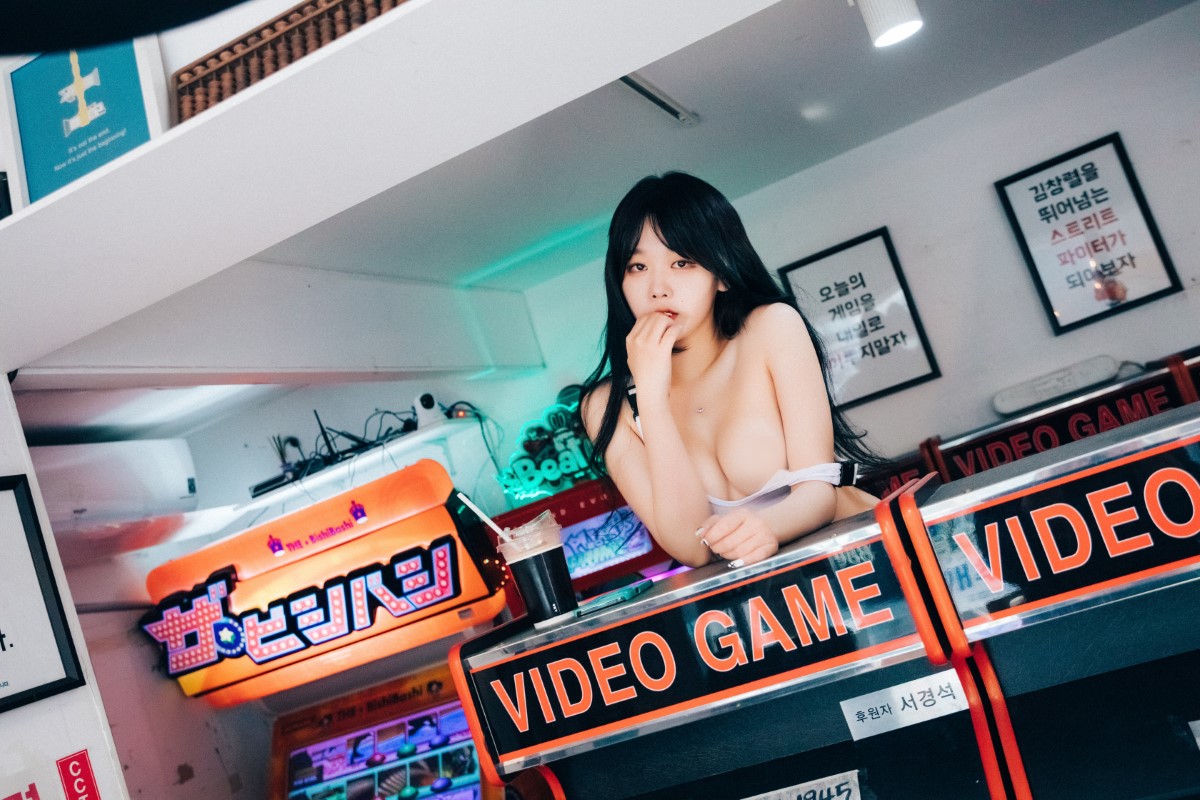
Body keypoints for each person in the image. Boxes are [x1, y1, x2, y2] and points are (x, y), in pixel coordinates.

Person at [580, 172, 884, 569]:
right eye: (637, 266)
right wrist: (651, 398)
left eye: (681, 262)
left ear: (721, 273)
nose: (658, 288)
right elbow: (691, 548)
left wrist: (767, 527)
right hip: (774, 595)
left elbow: (819, 494)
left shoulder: (771, 328)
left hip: (867, 554)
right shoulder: (606, 406)